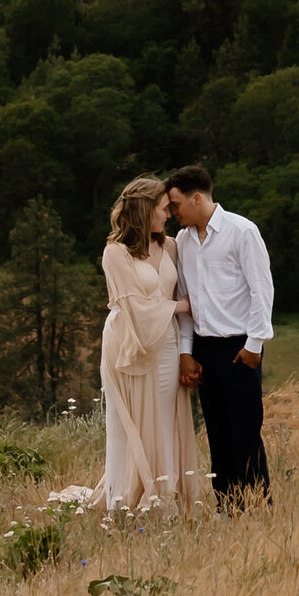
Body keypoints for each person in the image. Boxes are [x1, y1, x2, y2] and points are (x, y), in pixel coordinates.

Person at [96, 175, 205, 513]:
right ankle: (124, 499)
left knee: (166, 420)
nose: (168, 214)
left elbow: (172, 291)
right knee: (126, 428)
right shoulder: (115, 253)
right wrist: (182, 305)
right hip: (129, 345)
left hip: (167, 345)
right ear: (144, 210)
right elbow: (134, 308)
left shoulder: (170, 246)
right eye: (162, 208)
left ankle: (166, 497)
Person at [165, 164, 273, 506]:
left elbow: (262, 290)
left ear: (197, 198)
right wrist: (186, 350)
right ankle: (228, 507)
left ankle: (258, 506)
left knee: (246, 432)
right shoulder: (183, 241)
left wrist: (254, 344)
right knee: (217, 434)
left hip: (240, 347)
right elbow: (183, 297)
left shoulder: (242, 231)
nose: (172, 212)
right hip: (203, 349)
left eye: (176, 204)